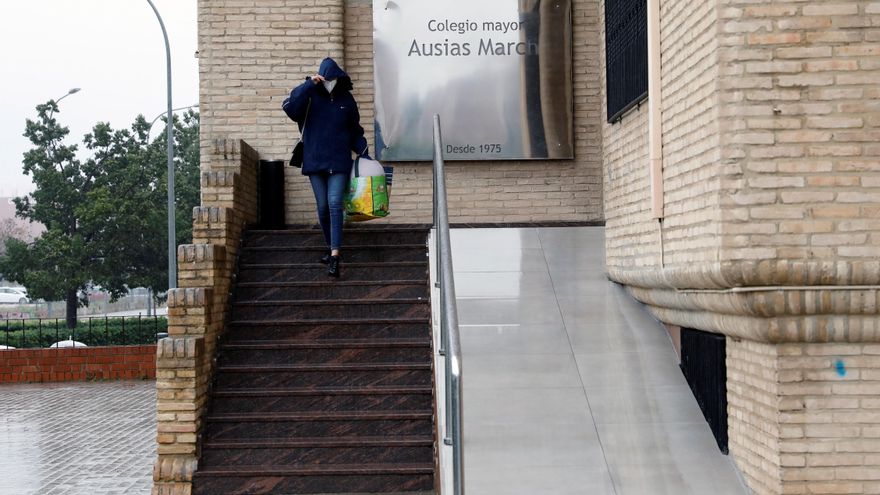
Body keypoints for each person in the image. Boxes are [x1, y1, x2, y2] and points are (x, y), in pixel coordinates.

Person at [283, 58, 369, 278]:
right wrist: (308, 85)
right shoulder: (309, 95)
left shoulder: (346, 100)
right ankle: (331, 245)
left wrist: (364, 151)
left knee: (334, 203)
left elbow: (355, 131)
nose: (330, 82)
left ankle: (335, 255)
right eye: (326, 78)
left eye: (333, 79)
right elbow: (290, 109)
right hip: (314, 161)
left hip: (339, 162)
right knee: (322, 207)